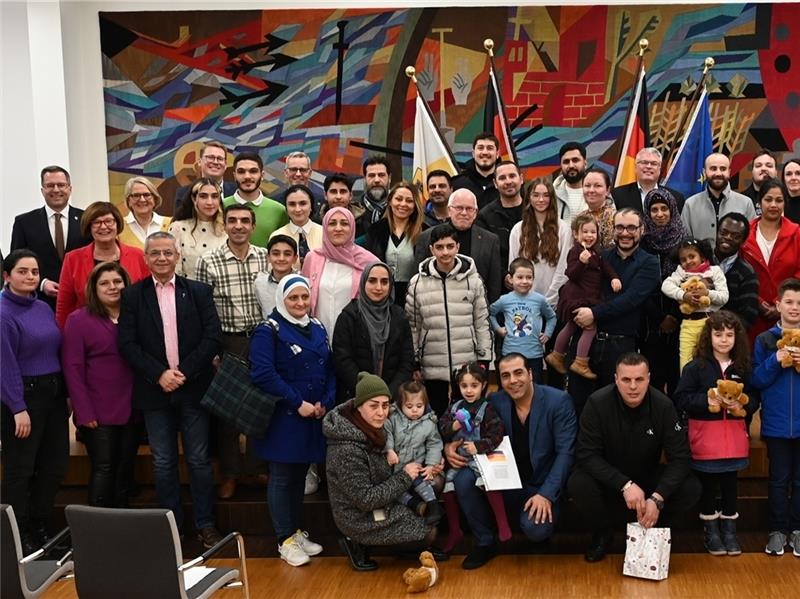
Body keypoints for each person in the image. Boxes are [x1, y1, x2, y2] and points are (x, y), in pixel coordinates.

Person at [118, 231, 223, 548]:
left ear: (178, 256)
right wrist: (160, 374)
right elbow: (127, 344)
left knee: (199, 460)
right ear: (146, 258)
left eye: (167, 252)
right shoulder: (133, 296)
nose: (162, 258)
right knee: (163, 462)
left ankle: (206, 525)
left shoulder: (199, 292)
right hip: (154, 391)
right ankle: (172, 528)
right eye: (155, 254)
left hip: (193, 388)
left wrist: (184, 373)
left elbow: (212, 338)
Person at [443, 353, 577, 569]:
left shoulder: (558, 401)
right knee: (462, 480)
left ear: (531, 373)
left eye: (518, 373)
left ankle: (535, 531)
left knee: (536, 528)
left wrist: (546, 494)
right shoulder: (495, 401)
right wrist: (449, 446)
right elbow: (470, 431)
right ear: (500, 381)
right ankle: (485, 541)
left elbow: (566, 453)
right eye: (505, 376)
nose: (513, 380)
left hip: (540, 485)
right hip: (504, 482)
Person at [567, 353, 700, 563]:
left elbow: (681, 458)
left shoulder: (663, 405)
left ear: (648, 378)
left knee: (691, 486)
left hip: (647, 478)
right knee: (578, 482)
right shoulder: (597, 403)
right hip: (611, 478)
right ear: (616, 379)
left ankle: (654, 529)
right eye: (626, 380)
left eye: (639, 379)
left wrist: (658, 497)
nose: (633, 386)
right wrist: (624, 484)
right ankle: (603, 532)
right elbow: (586, 454)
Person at [249, 275, 335, 566]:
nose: (300, 303)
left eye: (304, 297)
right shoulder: (268, 330)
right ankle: (284, 539)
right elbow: (262, 373)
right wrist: (297, 403)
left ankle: (295, 532)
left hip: (313, 415)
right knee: (283, 476)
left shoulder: (318, 326)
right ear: (281, 300)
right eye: (293, 298)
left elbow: (330, 368)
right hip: (285, 417)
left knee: (299, 476)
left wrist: (326, 401)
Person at [324, 372, 440, 571]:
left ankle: (406, 546)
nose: (381, 412)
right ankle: (356, 542)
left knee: (432, 495)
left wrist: (433, 462)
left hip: (385, 495)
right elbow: (366, 499)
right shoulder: (346, 450)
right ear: (358, 406)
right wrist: (405, 476)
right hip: (359, 515)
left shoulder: (375, 426)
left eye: (385, 405)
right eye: (373, 405)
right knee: (429, 532)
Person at [195, 203, 269, 500]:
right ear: (224, 225)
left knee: (261, 406)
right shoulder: (208, 260)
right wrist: (211, 350)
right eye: (233, 221)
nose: (239, 226)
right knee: (227, 413)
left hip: (263, 339)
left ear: (253, 226)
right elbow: (202, 310)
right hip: (227, 340)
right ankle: (230, 473)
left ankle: (256, 467)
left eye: (245, 221)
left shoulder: (266, 257)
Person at [0, 250, 69, 554]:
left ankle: (42, 527)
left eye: (34, 271)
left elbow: (54, 351)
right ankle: (20, 534)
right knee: (21, 469)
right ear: (7, 276)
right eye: (22, 271)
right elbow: (4, 364)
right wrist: (17, 407)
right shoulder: (2, 312)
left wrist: (63, 395)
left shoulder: (42, 307)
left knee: (54, 465)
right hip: (21, 398)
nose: (30, 277)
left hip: (51, 396)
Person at [673, 311, 758, 556]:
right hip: (705, 439)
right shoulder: (695, 367)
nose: (724, 339)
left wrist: (743, 406)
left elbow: (754, 397)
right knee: (708, 487)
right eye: (718, 334)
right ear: (708, 336)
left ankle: (730, 531)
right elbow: (681, 398)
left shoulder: (742, 367)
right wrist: (709, 399)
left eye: (729, 335)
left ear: (736, 337)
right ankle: (711, 532)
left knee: (730, 486)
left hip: (733, 439)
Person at [62, 262, 138, 508]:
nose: (112, 287)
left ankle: (121, 527)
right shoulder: (78, 320)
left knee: (126, 467)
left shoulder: (135, 315)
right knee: (103, 468)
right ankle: (94, 529)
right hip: (98, 410)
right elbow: (72, 369)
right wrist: (83, 412)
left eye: (117, 281)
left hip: (134, 408)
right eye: (104, 283)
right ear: (93, 288)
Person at [570, 208, 661, 403]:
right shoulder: (600, 257)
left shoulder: (650, 263)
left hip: (621, 346)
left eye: (631, 227)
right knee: (580, 402)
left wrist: (594, 313)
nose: (625, 233)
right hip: (588, 343)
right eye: (619, 227)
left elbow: (630, 300)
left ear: (641, 229)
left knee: (616, 406)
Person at [406, 224, 492, 415]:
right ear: (431, 249)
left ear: (457, 247)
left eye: (450, 246)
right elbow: (413, 326)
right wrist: (415, 362)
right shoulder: (417, 283)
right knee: (436, 415)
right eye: (440, 247)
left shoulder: (473, 281)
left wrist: (484, 358)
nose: (445, 252)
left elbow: (482, 321)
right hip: (432, 363)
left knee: (467, 415)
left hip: (466, 362)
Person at [438, 363, 510, 555]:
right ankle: (455, 530)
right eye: (464, 386)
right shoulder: (454, 408)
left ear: (483, 385)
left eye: (474, 385)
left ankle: (502, 524)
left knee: (488, 482)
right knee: (448, 487)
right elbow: (442, 429)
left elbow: (497, 435)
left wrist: (478, 446)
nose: (469, 391)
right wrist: (453, 427)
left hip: (481, 459)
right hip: (460, 460)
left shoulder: (487, 409)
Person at [751, 278, 800, 557]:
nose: (794, 308)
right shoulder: (765, 339)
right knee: (779, 479)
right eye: (789, 302)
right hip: (777, 425)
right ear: (778, 304)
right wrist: (775, 361)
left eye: (799, 304)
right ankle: (777, 531)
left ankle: (798, 529)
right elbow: (756, 379)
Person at [547, 214, 622, 380]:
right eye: (585, 232)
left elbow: (606, 267)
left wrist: (614, 278)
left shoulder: (596, 253)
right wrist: (581, 262)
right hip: (576, 296)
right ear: (576, 234)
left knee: (572, 326)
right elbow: (571, 274)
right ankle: (580, 361)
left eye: (593, 232)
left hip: (588, 296)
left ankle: (557, 355)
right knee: (590, 327)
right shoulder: (575, 251)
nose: (589, 235)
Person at [55, 201, 149, 329]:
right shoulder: (73, 259)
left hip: (134, 330)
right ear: (89, 227)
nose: (103, 227)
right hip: (88, 333)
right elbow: (64, 306)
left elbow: (148, 299)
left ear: (117, 224)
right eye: (97, 223)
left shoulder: (138, 255)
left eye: (109, 221)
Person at [10, 165, 91, 310]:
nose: (56, 190)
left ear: (70, 189)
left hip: (81, 302)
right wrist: (41, 283)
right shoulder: (24, 222)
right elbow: (15, 263)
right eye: (50, 185)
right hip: (38, 303)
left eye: (61, 185)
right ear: (42, 190)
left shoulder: (87, 219)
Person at [332, 262, 414, 402]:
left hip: (391, 400)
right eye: (372, 281)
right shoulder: (349, 316)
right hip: (355, 398)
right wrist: (368, 392)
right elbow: (342, 359)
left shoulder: (399, 317)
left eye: (384, 282)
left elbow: (406, 362)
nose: (378, 287)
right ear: (363, 282)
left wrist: (388, 394)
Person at [414, 189, 503, 303]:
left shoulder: (490, 240)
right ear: (449, 210)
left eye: (469, 209)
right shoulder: (427, 237)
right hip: (437, 307)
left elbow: (494, 285)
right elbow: (419, 277)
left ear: (476, 212)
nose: (464, 213)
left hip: (476, 309)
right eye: (459, 208)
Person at [301, 206, 378, 337]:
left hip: (354, 339)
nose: (338, 228)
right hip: (317, 337)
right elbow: (303, 297)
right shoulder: (313, 258)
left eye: (344, 223)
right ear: (325, 227)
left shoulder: (369, 262)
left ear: (352, 227)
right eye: (332, 223)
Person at [740, 178, 800, 341]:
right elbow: (739, 271)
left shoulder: (796, 233)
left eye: (779, 200)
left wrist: (779, 302)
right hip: (751, 313)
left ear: (785, 203)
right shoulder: (745, 233)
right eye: (768, 199)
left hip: (789, 316)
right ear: (759, 202)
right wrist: (757, 301)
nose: (773, 205)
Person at [639, 188, 686, 394]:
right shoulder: (642, 243)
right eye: (654, 210)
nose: (659, 214)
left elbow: (691, 280)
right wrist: (660, 318)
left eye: (664, 208)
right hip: (650, 322)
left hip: (681, 319)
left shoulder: (685, 241)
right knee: (653, 378)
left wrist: (673, 316)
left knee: (678, 376)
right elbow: (638, 287)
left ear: (672, 209)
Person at [661, 238, 729, 370]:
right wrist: (683, 296)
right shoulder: (681, 272)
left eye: (692, 256)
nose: (688, 261)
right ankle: (687, 388)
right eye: (683, 259)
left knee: (710, 363)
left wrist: (707, 293)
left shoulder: (714, 271)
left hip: (710, 323)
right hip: (688, 324)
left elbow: (724, 297)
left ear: (702, 256)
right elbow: (666, 286)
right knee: (685, 363)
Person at [507, 178, 572, 308]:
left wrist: (548, 301)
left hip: (555, 303)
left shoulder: (564, 229)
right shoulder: (518, 230)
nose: (541, 200)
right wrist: (528, 300)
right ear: (529, 198)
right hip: (524, 303)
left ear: (552, 198)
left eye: (545, 195)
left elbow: (563, 269)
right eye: (536, 195)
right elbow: (514, 266)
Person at [384, 381, 443, 523]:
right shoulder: (393, 418)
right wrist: (389, 450)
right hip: (396, 469)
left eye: (419, 406)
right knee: (394, 491)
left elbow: (434, 444)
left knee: (422, 481)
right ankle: (416, 505)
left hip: (416, 466)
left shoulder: (429, 423)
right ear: (400, 405)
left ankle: (433, 505)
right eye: (409, 407)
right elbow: (387, 433)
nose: (415, 410)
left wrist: (431, 464)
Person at [490, 257, 556, 382]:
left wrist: (547, 334)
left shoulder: (539, 300)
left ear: (533, 278)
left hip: (534, 354)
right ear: (510, 279)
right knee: (511, 387)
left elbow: (552, 317)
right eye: (520, 277)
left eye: (529, 277)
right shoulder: (505, 300)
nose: (524, 281)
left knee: (535, 387)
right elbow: (490, 313)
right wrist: (498, 329)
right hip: (510, 353)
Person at [364, 181, 425, 304]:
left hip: (414, 298)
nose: (403, 204)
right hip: (381, 297)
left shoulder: (424, 232)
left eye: (409, 201)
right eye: (398, 199)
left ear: (415, 205)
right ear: (390, 201)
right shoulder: (376, 230)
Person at [680, 153, 756, 245]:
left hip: (736, 259)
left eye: (723, 169)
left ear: (729, 172)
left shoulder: (746, 203)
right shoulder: (690, 205)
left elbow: (751, 241)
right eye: (713, 168)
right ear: (704, 172)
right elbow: (685, 242)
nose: (718, 173)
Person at [222, 152, 288, 247]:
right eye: (241, 171)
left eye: (253, 171)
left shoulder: (279, 210)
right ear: (234, 175)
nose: (247, 176)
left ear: (262, 175)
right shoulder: (221, 206)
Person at [169, 177, 227, 279]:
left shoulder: (227, 228)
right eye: (203, 196)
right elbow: (174, 270)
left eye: (214, 196)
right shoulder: (178, 228)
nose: (210, 202)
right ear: (194, 198)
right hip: (190, 291)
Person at [714, 212, 759, 330]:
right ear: (716, 233)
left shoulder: (746, 273)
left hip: (728, 337)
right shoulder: (700, 260)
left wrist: (721, 331)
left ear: (743, 241)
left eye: (736, 236)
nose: (728, 237)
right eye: (723, 233)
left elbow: (749, 316)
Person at [476, 161, 524, 267]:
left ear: (521, 179)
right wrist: (504, 276)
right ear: (495, 184)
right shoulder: (485, 217)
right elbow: (486, 255)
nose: (508, 181)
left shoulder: (534, 211)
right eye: (502, 178)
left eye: (512, 176)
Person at [612, 147, 685, 214]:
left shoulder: (676, 198)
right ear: (635, 167)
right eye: (644, 162)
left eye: (654, 164)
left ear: (659, 168)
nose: (648, 166)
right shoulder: (617, 195)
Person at [174, 141, 236, 213]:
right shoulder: (184, 193)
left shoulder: (237, 191)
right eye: (210, 157)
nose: (215, 162)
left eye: (220, 159)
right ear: (199, 162)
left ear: (225, 165)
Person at [269, 184, 323, 267]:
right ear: (286, 208)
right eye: (292, 204)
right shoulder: (277, 235)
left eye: (303, 203)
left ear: (311, 206)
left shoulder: (324, 234)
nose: (297, 209)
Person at [117, 176, 172, 249]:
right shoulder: (118, 226)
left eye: (146, 195)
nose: (142, 200)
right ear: (128, 200)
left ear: (155, 199)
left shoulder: (171, 223)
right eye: (136, 195)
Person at [451, 132, 500, 210]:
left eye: (490, 148)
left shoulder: (507, 183)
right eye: (480, 148)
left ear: (497, 153)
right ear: (473, 153)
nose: (485, 152)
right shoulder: (457, 184)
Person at [254, 235, 298, 316]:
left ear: (295, 258)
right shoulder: (260, 284)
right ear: (268, 257)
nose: (281, 258)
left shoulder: (303, 283)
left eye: (287, 254)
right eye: (276, 254)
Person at [353, 155, 392, 236]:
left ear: (390, 178)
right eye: (371, 175)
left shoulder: (400, 209)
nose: (376, 180)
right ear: (364, 179)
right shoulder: (352, 208)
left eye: (381, 175)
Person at [578, 168, 616, 250]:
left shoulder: (615, 218)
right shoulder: (580, 217)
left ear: (607, 190)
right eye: (587, 186)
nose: (591, 190)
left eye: (597, 186)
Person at [553, 141, 588, 222]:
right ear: (561, 166)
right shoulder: (551, 196)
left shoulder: (599, 193)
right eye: (566, 162)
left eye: (575, 160)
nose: (571, 165)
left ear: (585, 164)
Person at [742, 149, 778, 213]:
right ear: (752, 172)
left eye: (769, 165)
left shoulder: (786, 198)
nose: (763, 169)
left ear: (776, 172)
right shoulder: (741, 199)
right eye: (758, 166)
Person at [781, 157, 800, 224]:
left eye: (798, 173)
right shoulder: (779, 204)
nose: (793, 178)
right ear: (783, 179)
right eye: (789, 174)